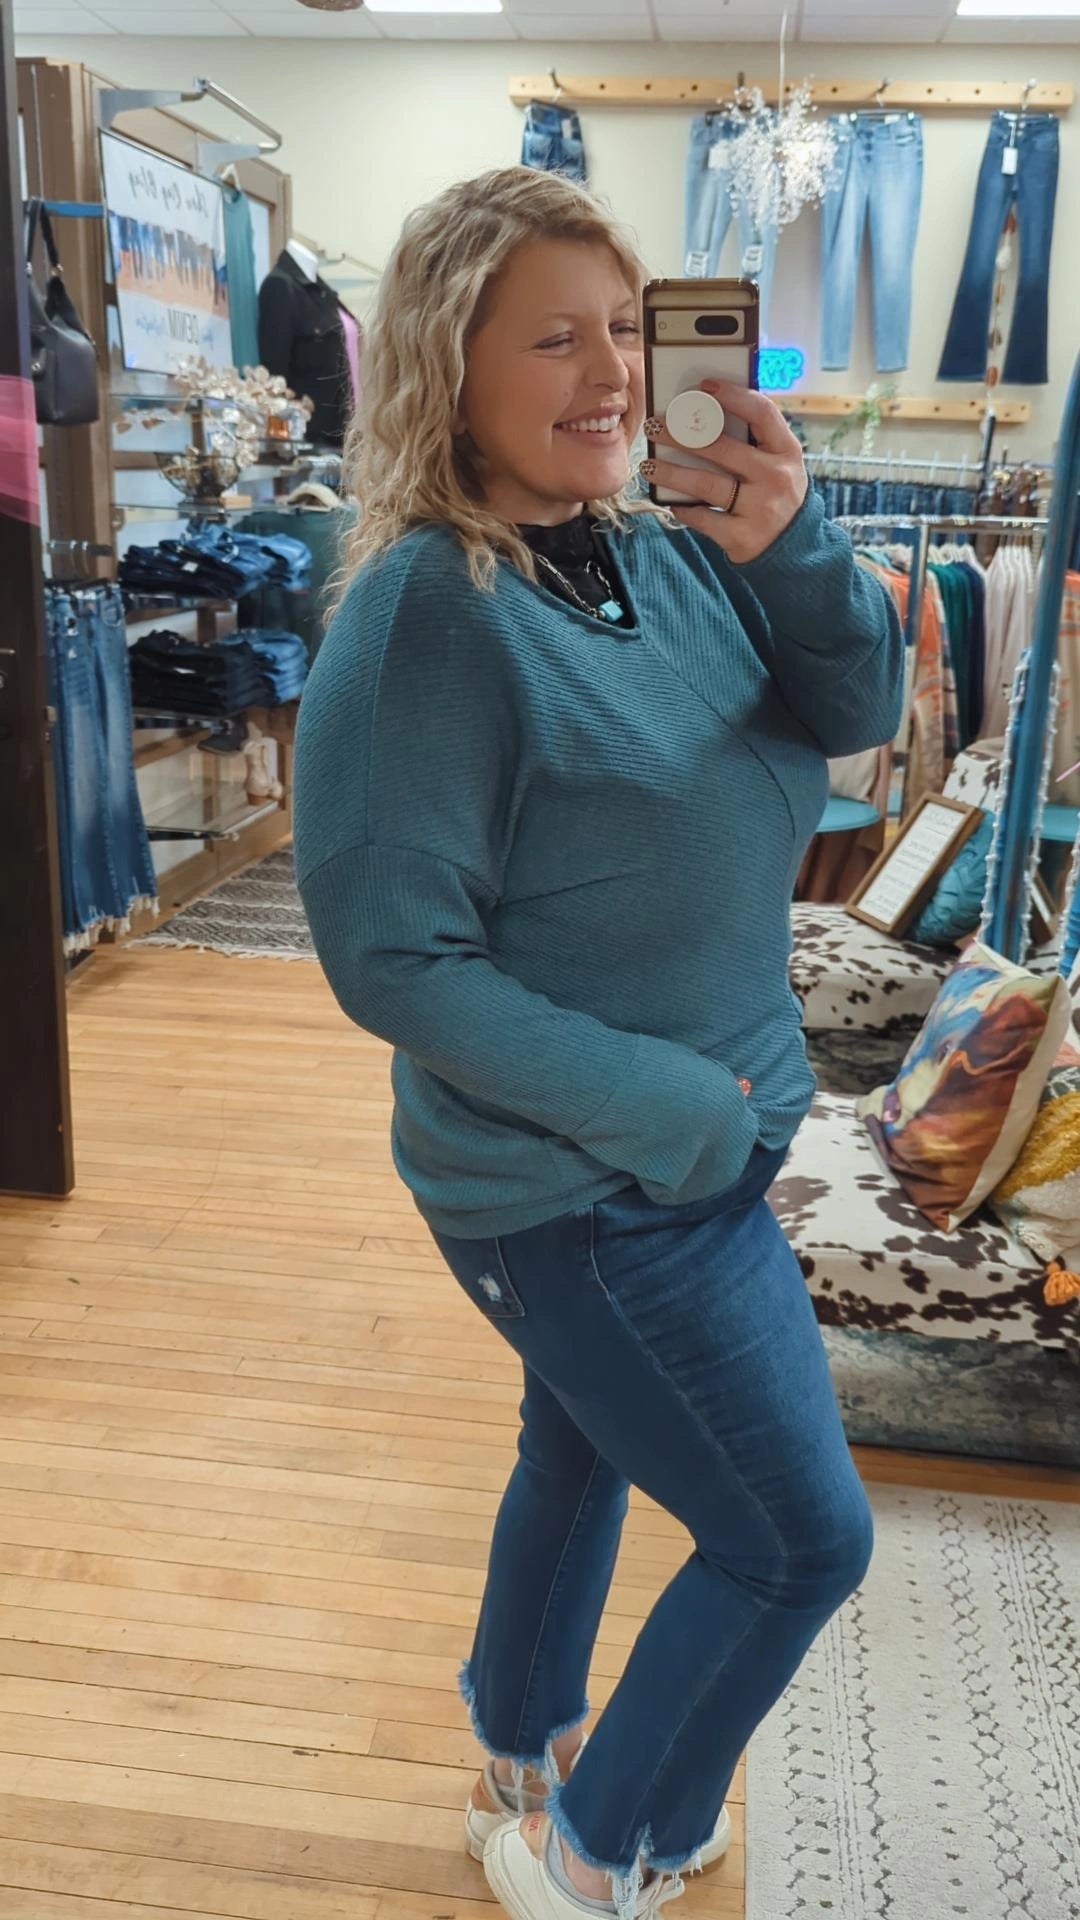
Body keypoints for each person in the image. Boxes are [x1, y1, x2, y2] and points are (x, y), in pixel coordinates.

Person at [294, 167, 903, 1920]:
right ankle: (595, 1850)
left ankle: (520, 1747)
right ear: (447, 366)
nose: (616, 373)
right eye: (554, 339)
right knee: (797, 1540)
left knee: (579, 1445)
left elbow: (856, 715)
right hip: (581, 1184)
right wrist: (676, 1109)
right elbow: (394, 960)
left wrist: (791, 541)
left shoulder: (668, 548)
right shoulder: (425, 616)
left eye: (628, 330)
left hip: (694, 1144)